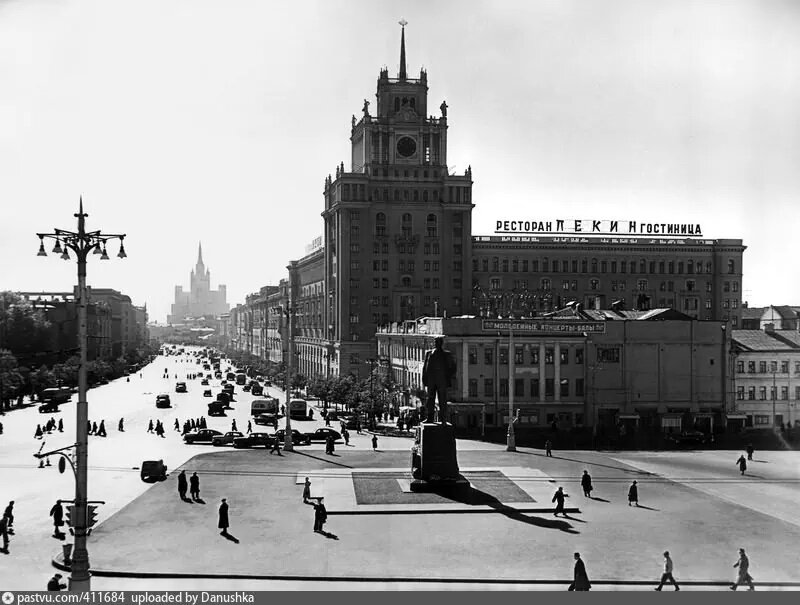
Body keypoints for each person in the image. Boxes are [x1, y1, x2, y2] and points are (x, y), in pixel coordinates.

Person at [422, 337, 457, 424]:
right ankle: (430, 418)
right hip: (431, 380)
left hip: (442, 380)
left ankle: (443, 419)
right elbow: (425, 367)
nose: (436, 344)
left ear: (441, 343)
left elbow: (453, 367)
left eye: (438, 342)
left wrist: (448, 376)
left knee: (442, 400)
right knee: (430, 399)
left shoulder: (446, 354)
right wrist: (424, 378)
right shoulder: (429, 353)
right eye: (435, 342)